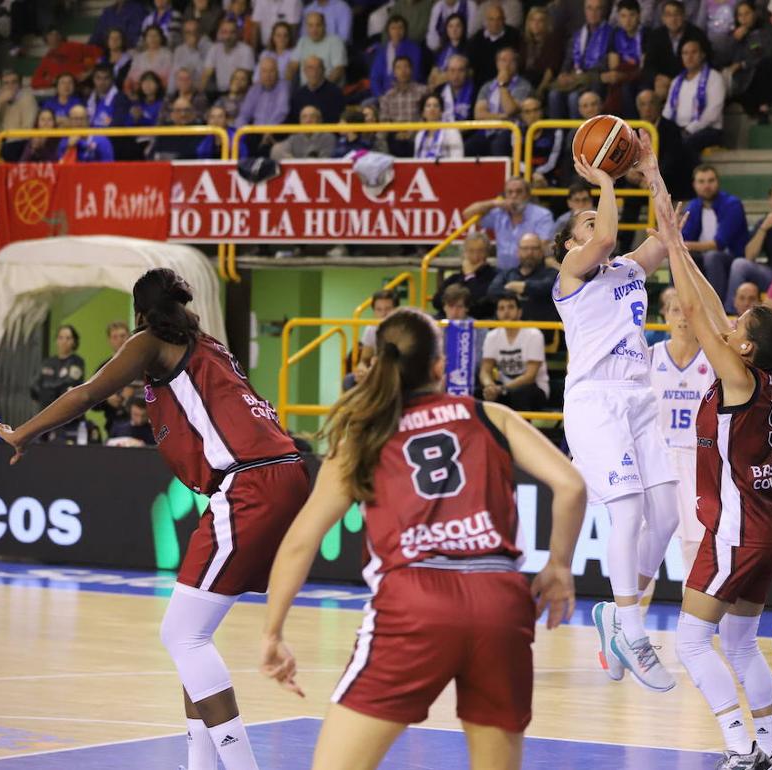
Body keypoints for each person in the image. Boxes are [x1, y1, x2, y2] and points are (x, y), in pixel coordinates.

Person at [0, 268, 310, 770]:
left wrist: (24, 433)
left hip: (251, 483)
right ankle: (198, 765)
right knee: (194, 633)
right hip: (281, 472)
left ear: (140, 313)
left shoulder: (149, 342)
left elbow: (87, 392)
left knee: (181, 634)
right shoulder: (207, 344)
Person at [259, 307, 583, 770]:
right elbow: (572, 486)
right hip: (500, 599)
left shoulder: (363, 435)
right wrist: (558, 567)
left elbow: (299, 541)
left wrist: (273, 632)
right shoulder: (489, 414)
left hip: (415, 599)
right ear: (438, 367)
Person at [641, 164, 772, 770]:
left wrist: (671, 243)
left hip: (734, 529)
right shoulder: (757, 374)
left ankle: (737, 748)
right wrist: (675, 242)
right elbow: (706, 302)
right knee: (737, 642)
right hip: (762, 528)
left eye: (739, 326)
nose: (729, 325)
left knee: (690, 640)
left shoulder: (737, 377)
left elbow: (696, 311)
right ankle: (769, 748)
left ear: (747, 347)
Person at [554, 136, 683, 692]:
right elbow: (605, 234)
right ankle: (632, 629)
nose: (594, 226)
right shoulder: (570, 275)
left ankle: (614, 613)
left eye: (594, 217)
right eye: (583, 222)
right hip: (593, 399)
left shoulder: (628, 268)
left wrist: (651, 175)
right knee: (628, 511)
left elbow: (670, 236)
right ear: (568, 243)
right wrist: (606, 182)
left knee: (669, 512)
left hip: (638, 396)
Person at [647, 288, 716, 571]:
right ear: (665, 316)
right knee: (646, 539)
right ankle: (630, 612)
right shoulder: (650, 357)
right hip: (656, 457)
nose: (683, 318)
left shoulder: (712, 361)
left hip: (696, 458)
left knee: (695, 543)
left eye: (687, 310)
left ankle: (693, 615)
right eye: (675, 310)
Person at [680, 165, 749, 307]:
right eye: (701, 181)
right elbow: (684, 237)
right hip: (703, 257)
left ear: (717, 182)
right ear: (694, 184)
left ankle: (715, 307)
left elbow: (719, 244)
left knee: (713, 256)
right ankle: (680, 303)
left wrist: (684, 244)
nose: (706, 186)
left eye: (710, 181)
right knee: (679, 255)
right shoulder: (693, 206)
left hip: (731, 258)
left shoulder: (732, 205)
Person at [463, 177, 555, 271]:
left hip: (532, 272)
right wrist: (494, 203)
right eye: (510, 192)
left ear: (527, 195)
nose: (514, 196)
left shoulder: (542, 215)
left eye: (519, 192)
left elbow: (542, 245)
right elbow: (467, 214)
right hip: (503, 272)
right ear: (505, 195)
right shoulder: (499, 213)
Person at [662, 38, 726, 171]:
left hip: (708, 130)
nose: (689, 57)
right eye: (685, 53)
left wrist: (689, 129)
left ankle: (692, 182)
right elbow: (667, 111)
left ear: (702, 55)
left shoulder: (714, 78)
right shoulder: (676, 81)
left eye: (693, 52)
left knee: (685, 145)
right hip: (679, 130)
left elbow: (712, 113)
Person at [479, 292, 549, 411]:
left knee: (520, 393)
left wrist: (501, 389)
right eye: (501, 308)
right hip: (503, 388)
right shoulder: (492, 336)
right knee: (478, 393)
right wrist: (490, 386)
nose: (506, 312)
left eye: (511, 307)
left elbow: (530, 377)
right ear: (497, 313)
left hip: (534, 388)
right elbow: (485, 370)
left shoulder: (534, 334)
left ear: (519, 312)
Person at [548, 0, 610, 119]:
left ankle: (577, 132)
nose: (593, 13)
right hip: (575, 78)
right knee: (553, 95)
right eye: (589, 8)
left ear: (603, 11)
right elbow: (568, 59)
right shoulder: (578, 34)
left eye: (597, 9)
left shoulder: (610, 33)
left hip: (594, 79)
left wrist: (579, 76)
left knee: (574, 98)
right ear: (584, 11)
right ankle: (558, 133)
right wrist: (564, 73)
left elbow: (605, 63)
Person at [645, 0, 713, 99]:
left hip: (690, 79)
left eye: (677, 14)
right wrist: (658, 77)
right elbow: (648, 65)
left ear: (684, 16)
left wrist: (683, 79)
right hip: (665, 80)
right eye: (668, 15)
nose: (673, 19)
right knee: (658, 89)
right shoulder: (655, 36)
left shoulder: (696, 34)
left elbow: (708, 60)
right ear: (663, 18)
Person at [487, 233, 559, 323]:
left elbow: (546, 287)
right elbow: (492, 290)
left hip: (542, 329)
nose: (529, 252)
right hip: (508, 329)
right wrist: (517, 291)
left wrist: (523, 287)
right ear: (518, 251)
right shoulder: (507, 274)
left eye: (534, 248)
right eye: (525, 248)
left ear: (541, 252)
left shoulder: (551, 274)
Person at [432, 233, 499, 318]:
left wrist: (470, 276)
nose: (476, 256)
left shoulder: (495, 276)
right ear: (465, 253)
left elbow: (481, 306)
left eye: (480, 251)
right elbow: (437, 302)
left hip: (479, 324)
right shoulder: (455, 278)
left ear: (487, 253)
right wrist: (465, 277)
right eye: (471, 251)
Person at [465, 1, 519, 89]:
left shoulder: (514, 36)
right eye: (491, 19)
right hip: (481, 85)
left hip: (508, 83)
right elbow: (471, 66)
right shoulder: (477, 39)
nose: (495, 23)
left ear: (504, 20)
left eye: (499, 19)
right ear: (486, 21)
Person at [369, 16, 423, 99]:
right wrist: (379, 96)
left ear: (405, 30)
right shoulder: (382, 51)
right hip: (384, 94)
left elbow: (414, 74)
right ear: (388, 31)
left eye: (400, 28)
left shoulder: (414, 49)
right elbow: (375, 78)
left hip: (407, 93)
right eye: (393, 28)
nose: (397, 31)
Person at [291, 12, 345, 85]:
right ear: (306, 27)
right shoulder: (302, 41)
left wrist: (321, 89)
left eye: (318, 25)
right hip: (305, 91)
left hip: (328, 90)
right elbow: (292, 66)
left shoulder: (335, 41)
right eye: (310, 25)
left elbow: (339, 70)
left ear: (324, 26)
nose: (314, 29)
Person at [202, 19, 255, 94]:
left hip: (241, 93)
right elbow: (206, 75)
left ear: (238, 33)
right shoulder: (215, 48)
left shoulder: (246, 50)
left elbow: (244, 80)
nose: (228, 36)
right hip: (220, 92)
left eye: (232, 32)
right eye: (224, 32)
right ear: (220, 34)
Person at [0, 70, 38, 136]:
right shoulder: (1, 100)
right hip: (2, 138)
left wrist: (8, 139)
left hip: (17, 140)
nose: (10, 86)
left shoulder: (28, 99)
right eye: (6, 83)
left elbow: (28, 129)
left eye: (14, 82)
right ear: (2, 87)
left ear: (20, 85)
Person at [289, 55, 344, 124]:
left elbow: (336, 121)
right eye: (310, 68)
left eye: (318, 68)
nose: (314, 72)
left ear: (323, 70)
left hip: (326, 133)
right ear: (304, 71)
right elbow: (293, 121)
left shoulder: (336, 93)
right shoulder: (297, 95)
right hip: (302, 134)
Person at [412, 93, 465, 159]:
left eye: (436, 106)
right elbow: (415, 160)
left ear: (441, 112)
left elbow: (458, 159)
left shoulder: (451, 131)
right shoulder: (419, 135)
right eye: (428, 106)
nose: (432, 108)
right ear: (423, 113)